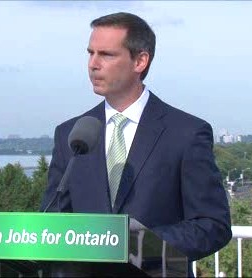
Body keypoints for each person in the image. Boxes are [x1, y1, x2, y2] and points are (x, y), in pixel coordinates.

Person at [41, 12, 231, 276]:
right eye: (90, 53)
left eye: (106, 54)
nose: (93, 64)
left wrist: (135, 244)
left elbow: (212, 225)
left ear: (140, 60)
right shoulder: (70, 134)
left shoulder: (186, 133)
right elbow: (52, 220)